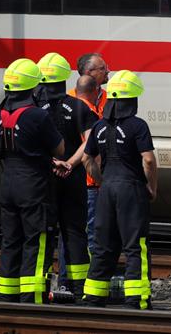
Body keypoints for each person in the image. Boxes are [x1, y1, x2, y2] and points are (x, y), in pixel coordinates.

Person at [81, 70, 158, 309]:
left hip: (106, 191)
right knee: (136, 245)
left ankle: (94, 296)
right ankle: (137, 298)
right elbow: (148, 160)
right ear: (133, 99)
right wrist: (151, 187)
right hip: (131, 189)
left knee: (103, 245)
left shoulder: (99, 127)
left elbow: (86, 158)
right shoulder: (138, 126)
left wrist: (103, 180)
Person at [0, 58, 66, 303]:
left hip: (7, 184)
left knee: (11, 239)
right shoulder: (37, 115)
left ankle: (7, 292)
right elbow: (59, 149)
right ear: (34, 88)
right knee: (36, 240)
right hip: (33, 185)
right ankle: (33, 295)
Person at [36, 53, 98, 299]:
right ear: (65, 78)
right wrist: (70, 163)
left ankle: (40, 286)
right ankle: (77, 288)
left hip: (44, 180)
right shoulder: (77, 106)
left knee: (44, 234)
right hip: (72, 180)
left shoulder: (32, 108)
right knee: (75, 233)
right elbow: (91, 139)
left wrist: (51, 163)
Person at [75, 75, 104, 260]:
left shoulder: (66, 106)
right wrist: (101, 179)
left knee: (73, 232)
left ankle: (68, 279)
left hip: (73, 180)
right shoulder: (89, 112)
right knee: (92, 233)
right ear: (94, 91)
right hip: (90, 182)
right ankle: (92, 274)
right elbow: (90, 152)